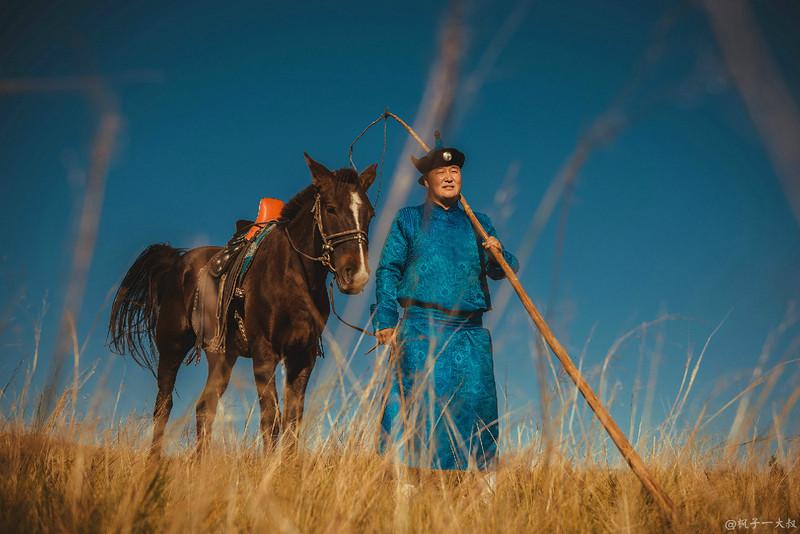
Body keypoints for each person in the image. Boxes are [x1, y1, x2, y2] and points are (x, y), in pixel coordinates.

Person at [371, 135, 519, 484]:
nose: (450, 177)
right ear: (426, 181)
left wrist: (498, 253)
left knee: (478, 407)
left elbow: (504, 269)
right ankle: (406, 490)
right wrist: (386, 317)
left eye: (455, 171)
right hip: (420, 328)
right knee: (413, 406)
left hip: (469, 332)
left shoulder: (479, 222)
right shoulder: (408, 219)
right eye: (441, 172)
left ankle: (486, 491)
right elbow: (388, 269)